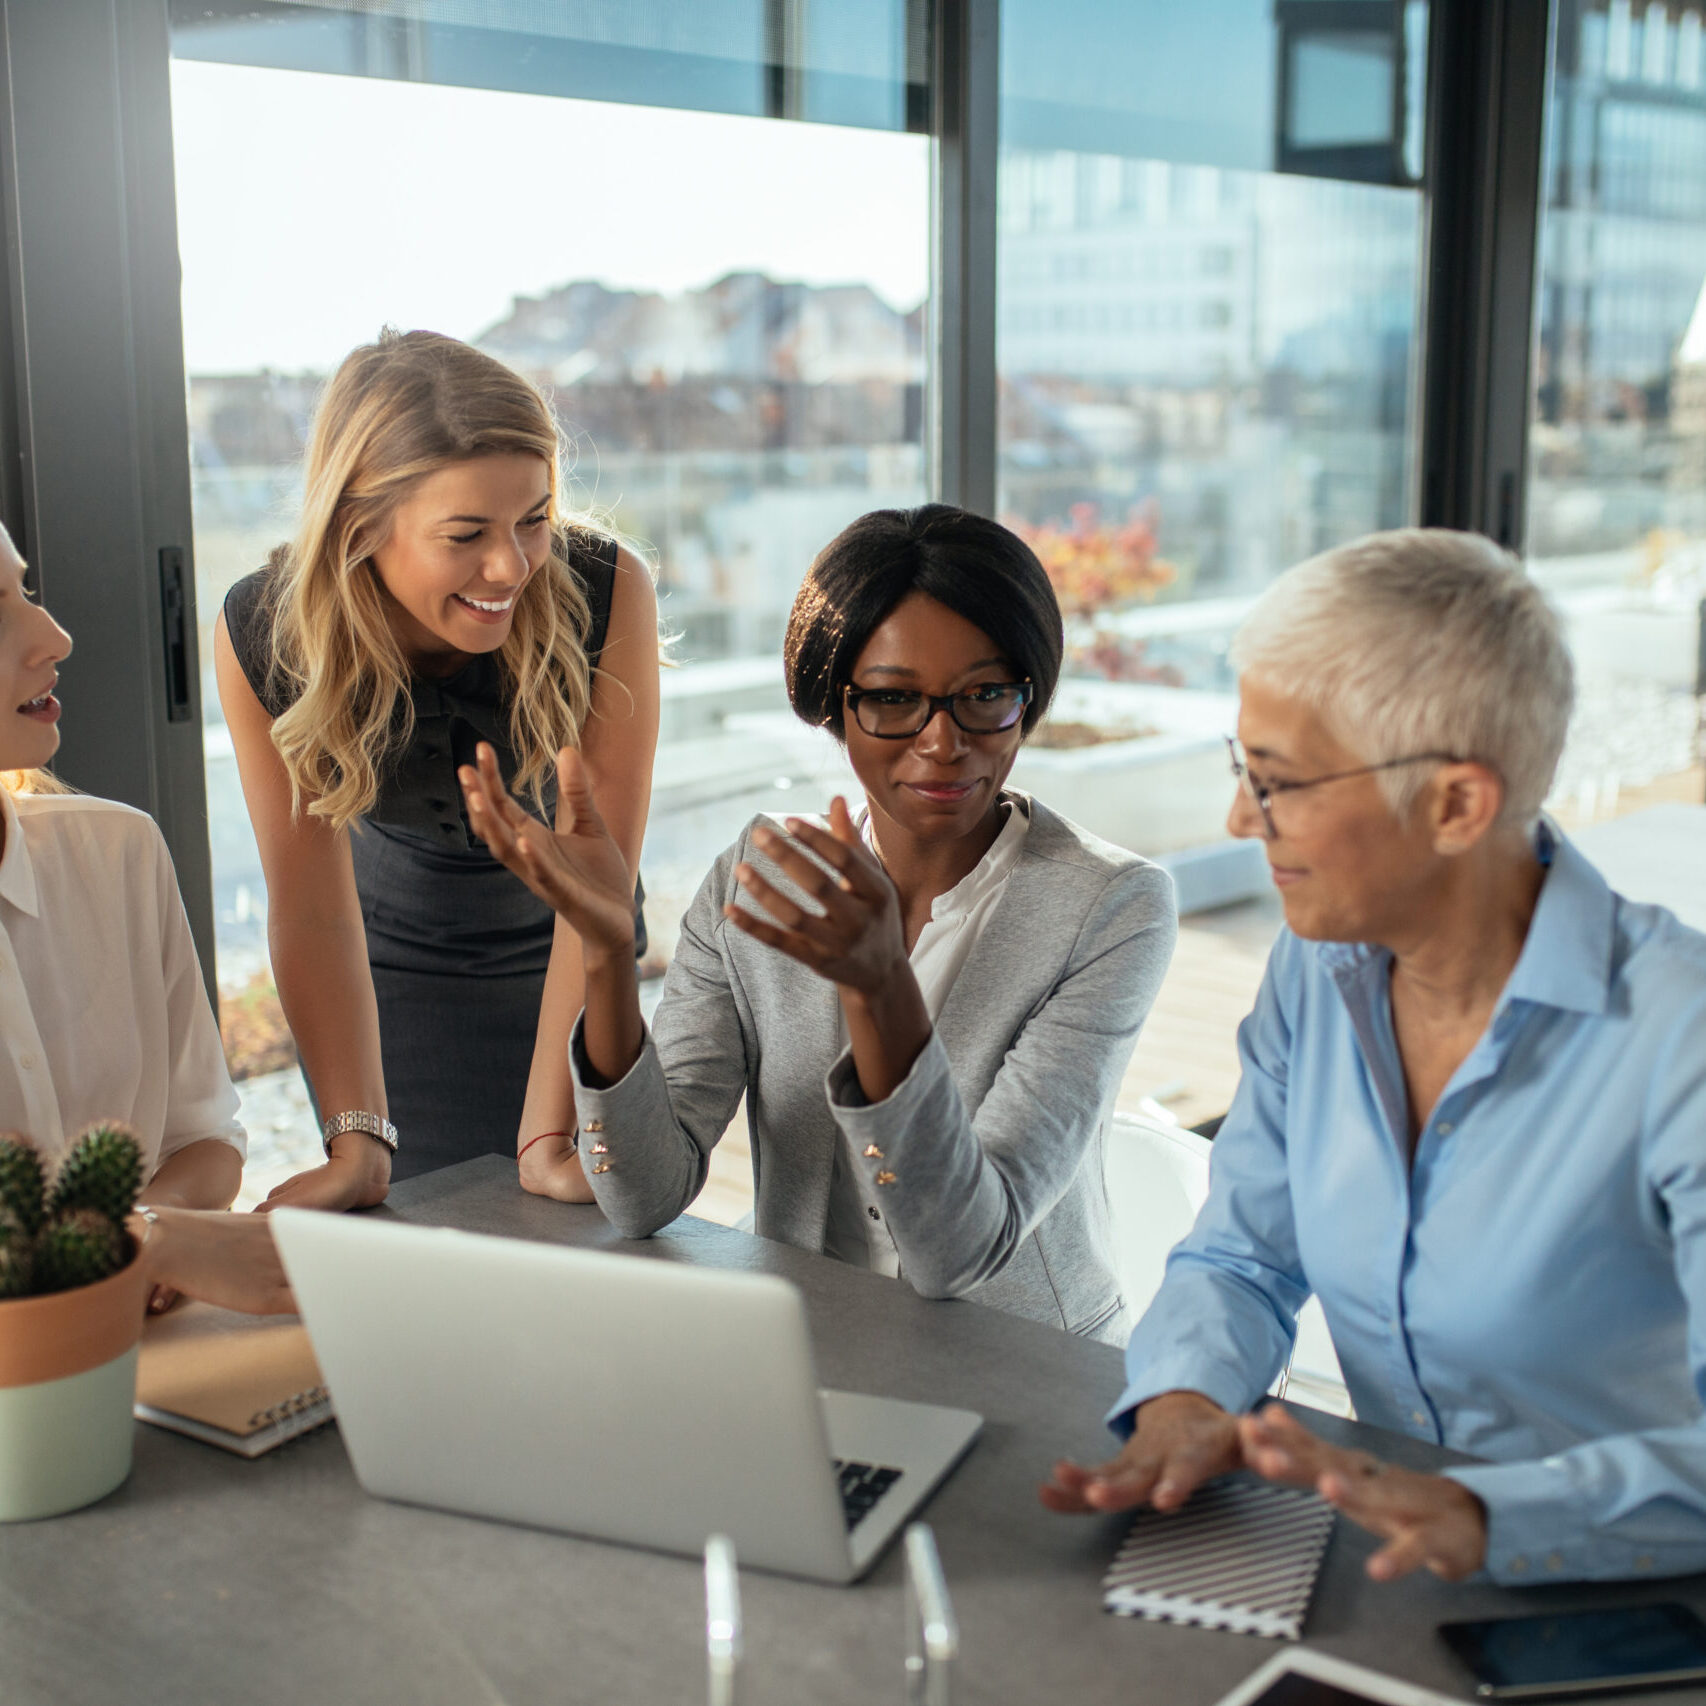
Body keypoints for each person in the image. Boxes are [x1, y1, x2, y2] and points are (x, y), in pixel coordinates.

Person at [1043, 526, 1706, 1584]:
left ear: (1454, 803)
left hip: (1644, 1607)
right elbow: (1241, 1257)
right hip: (1393, 1576)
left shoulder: (1679, 1039)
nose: (1235, 816)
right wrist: (1185, 1404)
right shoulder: (1318, 973)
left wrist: (1486, 1512)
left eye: (1275, 781)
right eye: (1237, 766)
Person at [460, 504, 1177, 1340]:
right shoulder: (752, 881)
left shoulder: (1111, 907)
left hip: (1032, 1367)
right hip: (812, 1351)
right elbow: (644, 1195)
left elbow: (963, 1249)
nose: (943, 741)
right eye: (894, 700)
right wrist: (609, 947)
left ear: (1029, 697)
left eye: (985, 695)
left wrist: (881, 985)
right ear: (832, 709)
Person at [217, 329, 659, 1206]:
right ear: (360, 526)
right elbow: (308, 909)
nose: (510, 567)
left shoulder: (609, 590)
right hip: (392, 979)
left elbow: (599, 881)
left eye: (534, 519)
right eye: (466, 535)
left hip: (582, 961)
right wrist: (355, 1142)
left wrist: (553, 1130)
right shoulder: (265, 633)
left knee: (588, 1238)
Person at [0, 520, 284, 1311]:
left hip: (148, 1366)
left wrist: (148, 1234)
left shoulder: (118, 852)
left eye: (25, 590)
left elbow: (204, 1137)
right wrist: (146, 1244)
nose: (53, 636)